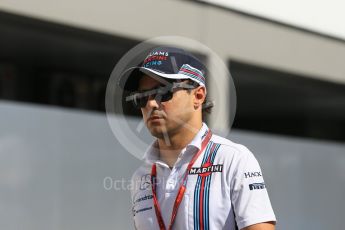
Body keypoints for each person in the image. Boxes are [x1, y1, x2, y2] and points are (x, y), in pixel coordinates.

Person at [118, 47, 276, 230]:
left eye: (163, 91)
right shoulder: (142, 176)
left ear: (198, 96)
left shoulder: (233, 159)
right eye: (142, 97)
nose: (151, 103)